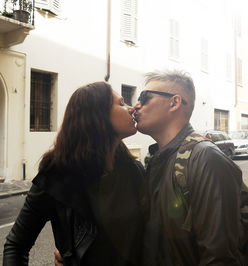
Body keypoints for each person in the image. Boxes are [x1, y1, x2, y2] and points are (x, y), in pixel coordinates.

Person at [3, 82, 145, 266]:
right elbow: (16, 245)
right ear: (98, 115)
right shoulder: (57, 177)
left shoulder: (134, 172)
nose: (131, 108)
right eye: (121, 103)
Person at [133, 70, 245, 265]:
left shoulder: (206, 159)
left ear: (174, 102)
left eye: (145, 97)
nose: (136, 106)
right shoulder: (156, 158)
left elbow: (219, 256)